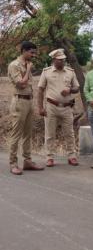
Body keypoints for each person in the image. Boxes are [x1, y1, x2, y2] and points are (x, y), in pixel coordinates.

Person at [38, 49, 80, 167]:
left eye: (63, 59)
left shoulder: (70, 72)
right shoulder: (46, 72)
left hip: (67, 108)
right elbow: (40, 90)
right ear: (54, 60)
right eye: (60, 60)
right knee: (50, 133)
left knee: (69, 133)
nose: (62, 61)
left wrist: (70, 90)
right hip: (51, 106)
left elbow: (77, 88)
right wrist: (40, 107)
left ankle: (71, 156)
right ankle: (49, 157)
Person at [7, 41, 45, 175]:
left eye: (34, 53)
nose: (33, 55)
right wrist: (28, 70)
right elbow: (21, 84)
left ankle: (27, 161)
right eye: (31, 52)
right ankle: (13, 163)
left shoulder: (27, 64)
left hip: (29, 101)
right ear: (23, 51)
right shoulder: (14, 65)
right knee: (16, 134)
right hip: (19, 101)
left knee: (28, 133)